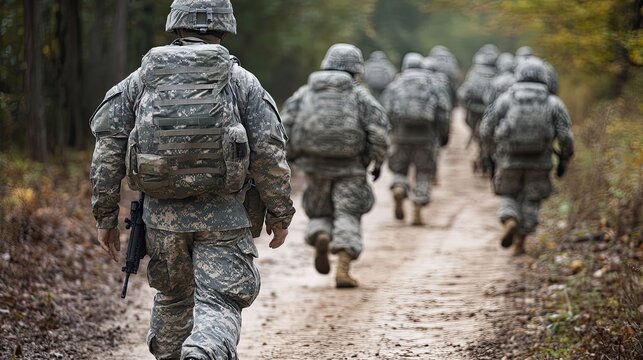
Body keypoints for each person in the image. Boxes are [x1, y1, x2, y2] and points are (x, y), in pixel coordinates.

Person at [89, 1, 296, 359]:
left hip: (162, 221)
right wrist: (280, 213)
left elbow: (108, 150)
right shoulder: (242, 82)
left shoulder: (141, 79)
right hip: (225, 218)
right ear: (224, 27)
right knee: (220, 301)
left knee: (173, 298)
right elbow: (269, 154)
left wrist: (105, 218)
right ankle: (203, 352)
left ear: (176, 25)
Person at [281, 43, 389, 288]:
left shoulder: (306, 91)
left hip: (313, 164)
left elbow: (285, 124)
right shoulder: (360, 94)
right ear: (356, 68)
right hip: (350, 166)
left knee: (319, 210)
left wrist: (289, 157)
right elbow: (378, 131)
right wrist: (377, 161)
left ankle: (322, 234)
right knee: (348, 212)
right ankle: (343, 267)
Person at [480, 57, 574, 256]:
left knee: (507, 194)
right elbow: (565, 136)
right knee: (532, 199)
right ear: (544, 76)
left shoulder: (505, 99)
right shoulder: (553, 102)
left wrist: (490, 152)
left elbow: (486, 128)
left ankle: (509, 219)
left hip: (508, 159)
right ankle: (520, 241)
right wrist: (564, 160)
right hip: (540, 161)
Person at [381, 53, 451, 225]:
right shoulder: (433, 84)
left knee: (399, 169)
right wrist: (443, 134)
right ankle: (418, 205)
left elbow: (385, 110)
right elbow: (444, 111)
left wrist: (391, 131)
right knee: (424, 172)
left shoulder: (395, 84)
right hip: (426, 137)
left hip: (400, 136)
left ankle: (399, 186)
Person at [457, 44, 499, 175]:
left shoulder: (474, 72)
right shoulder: (498, 73)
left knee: (477, 132)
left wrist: (464, 105)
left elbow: (464, 92)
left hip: (474, 109)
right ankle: (487, 155)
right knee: (490, 133)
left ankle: (482, 154)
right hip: (491, 110)